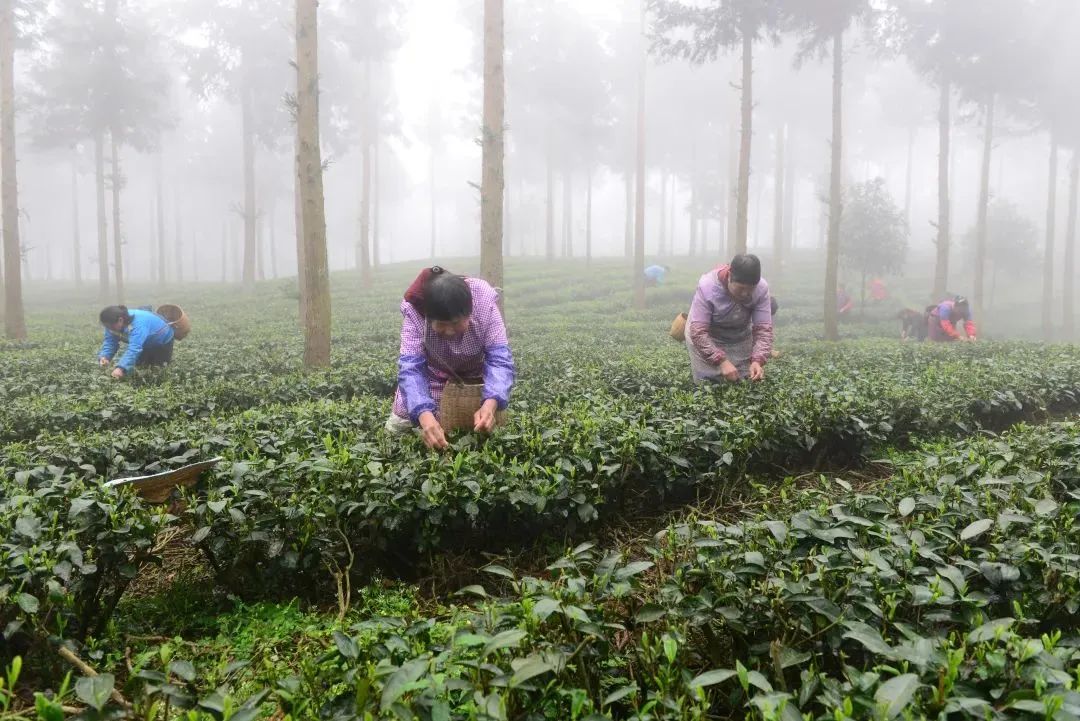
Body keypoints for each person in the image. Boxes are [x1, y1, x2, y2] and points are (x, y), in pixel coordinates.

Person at [387, 266, 516, 450]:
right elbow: (411, 368)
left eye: (456, 323)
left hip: (475, 380)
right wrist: (424, 415)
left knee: (485, 435)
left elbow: (499, 359)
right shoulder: (415, 312)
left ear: (469, 313)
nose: (449, 331)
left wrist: (491, 403)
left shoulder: (483, 302)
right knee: (399, 431)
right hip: (433, 378)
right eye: (441, 324)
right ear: (428, 317)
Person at [685, 253, 774, 383]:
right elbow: (698, 332)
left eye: (751, 289)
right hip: (707, 337)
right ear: (729, 277)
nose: (745, 294)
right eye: (741, 288)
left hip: (739, 337)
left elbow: (763, 330)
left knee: (742, 380)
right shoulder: (708, 286)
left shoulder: (762, 288)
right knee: (708, 382)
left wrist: (757, 360)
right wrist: (721, 361)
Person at [98, 305, 175, 379]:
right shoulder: (111, 325)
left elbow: (134, 348)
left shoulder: (138, 324)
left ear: (120, 320)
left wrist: (120, 368)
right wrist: (105, 356)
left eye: (110, 327)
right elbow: (110, 342)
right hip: (144, 341)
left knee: (159, 371)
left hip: (163, 339)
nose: (109, 329)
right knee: (140, 368)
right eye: (107, 327)